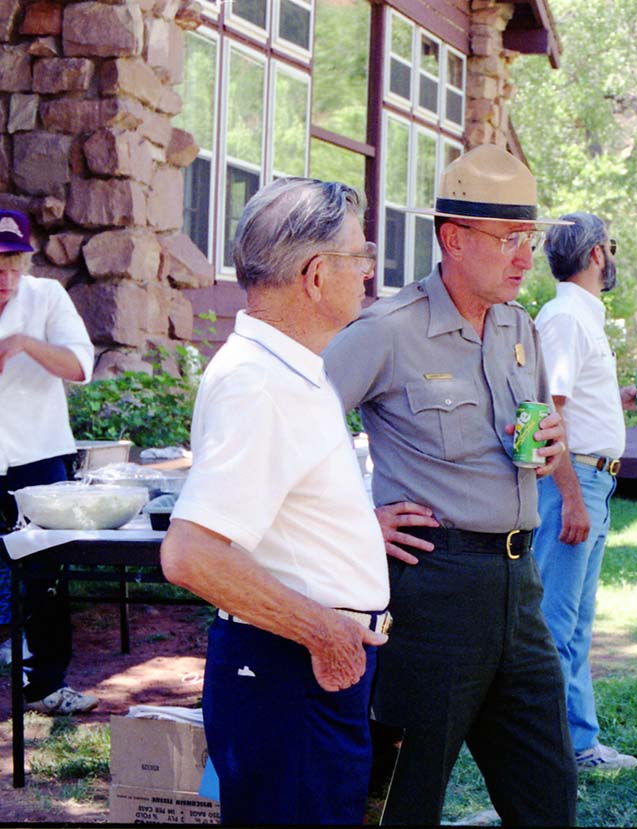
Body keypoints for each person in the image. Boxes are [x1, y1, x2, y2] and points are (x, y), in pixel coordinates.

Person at [323, 144, 577, 826]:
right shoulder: (387, 331)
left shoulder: (520, 326)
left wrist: (551, 446)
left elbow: (536, 429)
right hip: (430, 591)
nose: (525, 257)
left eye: (530, 238)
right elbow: (295, 435)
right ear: (454, 239)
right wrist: (355, 522)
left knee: (549, 793)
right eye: (508, 239)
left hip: (518, 586)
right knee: (404, 800)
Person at [160, 178, 393, 824]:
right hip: (293, 668)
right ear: (316, 276)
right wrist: (326, 634)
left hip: (300, 669)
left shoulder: (288, 368)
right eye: (359, 255)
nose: (368, 271)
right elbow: (190, 554)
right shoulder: (258, 384)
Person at [532, 212, 637, 772]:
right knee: (555, 623)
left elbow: (571, 401)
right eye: (610, 247)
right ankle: (549, 750)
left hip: (593, 479)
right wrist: (572, 497)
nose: (611, 256)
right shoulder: (566, 319)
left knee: (574, 622)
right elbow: (546, 414)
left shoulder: (579, 318)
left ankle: (578, 744)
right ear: (597, 253)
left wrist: (613, 402)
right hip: (573, 482)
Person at [0, 208, 98, 714]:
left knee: (46, 577)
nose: (5, 275)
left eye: (13, 262)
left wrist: (23, 344)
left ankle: (46, 686)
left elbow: (80, 365)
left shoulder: (47, 298)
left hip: (37, 457)